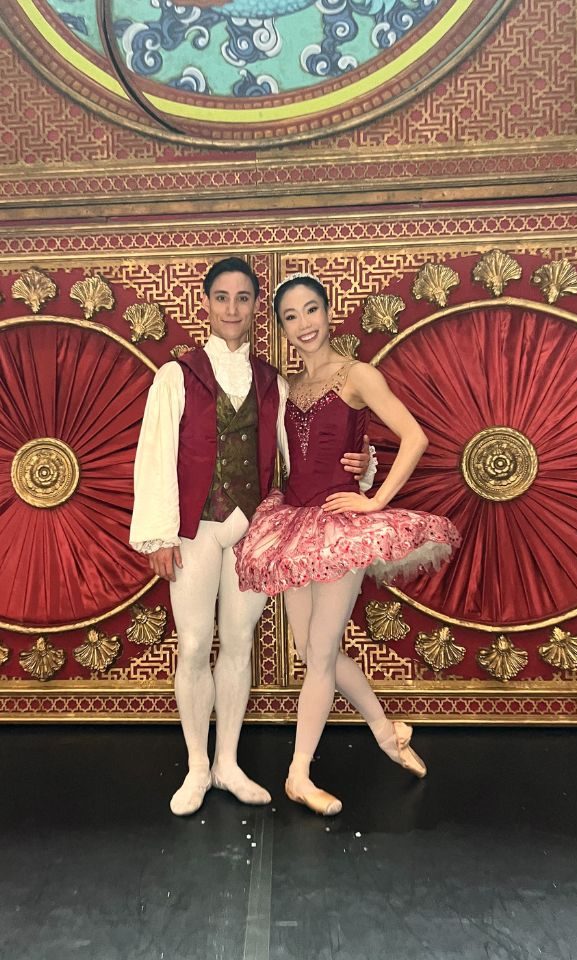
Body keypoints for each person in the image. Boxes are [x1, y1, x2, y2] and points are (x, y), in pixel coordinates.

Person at [130, 258, 372, 816]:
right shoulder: (176, 375)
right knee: (194, 644)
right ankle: (196, 765)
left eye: (243, 298)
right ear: (207, 304)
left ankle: (228, 764)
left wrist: (359, 468)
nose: (233, 308)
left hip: (253, 529)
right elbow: (155, 457)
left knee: (239, 646)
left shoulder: (275, 382)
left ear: (258, 307)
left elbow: (304, 458)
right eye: (222, 297)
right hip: (192, 529)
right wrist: (159, 535)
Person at [235, 274, 461, 816]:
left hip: (340, 527)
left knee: (319, 654)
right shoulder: (288, 387)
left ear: (329, 312)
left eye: (312, 310)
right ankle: (387, 732)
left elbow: (415, 436)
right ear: (281, 327)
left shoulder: (358, 374)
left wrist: (375, 499)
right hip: (291, 524)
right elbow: (293, 457)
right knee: (312, 651)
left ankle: (298, 774)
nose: (304, 324)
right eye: (291, 316)